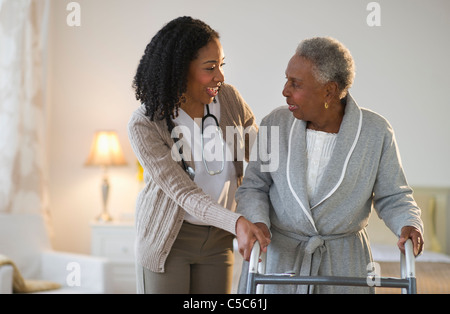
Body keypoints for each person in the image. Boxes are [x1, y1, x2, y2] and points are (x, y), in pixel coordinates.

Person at [236, 37, 424, 294]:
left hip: (344, 264)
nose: (285, 90)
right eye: (286, 80)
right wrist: (257, 222)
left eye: (296, 84)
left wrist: (409, 224)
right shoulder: (274, 124)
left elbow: (394, 196)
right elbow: (254, 187)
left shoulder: (375, 132)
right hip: (280, 258)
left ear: (329, 91)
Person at [128, 16, 270, 294]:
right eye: (210, 67)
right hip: (169, 242)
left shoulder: (228, 100)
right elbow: (184, 194)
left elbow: (262, 160)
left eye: (221, 65)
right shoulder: (145, 124)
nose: (220, 76)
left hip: (218, 240)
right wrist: (238, 222)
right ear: (180, 71)